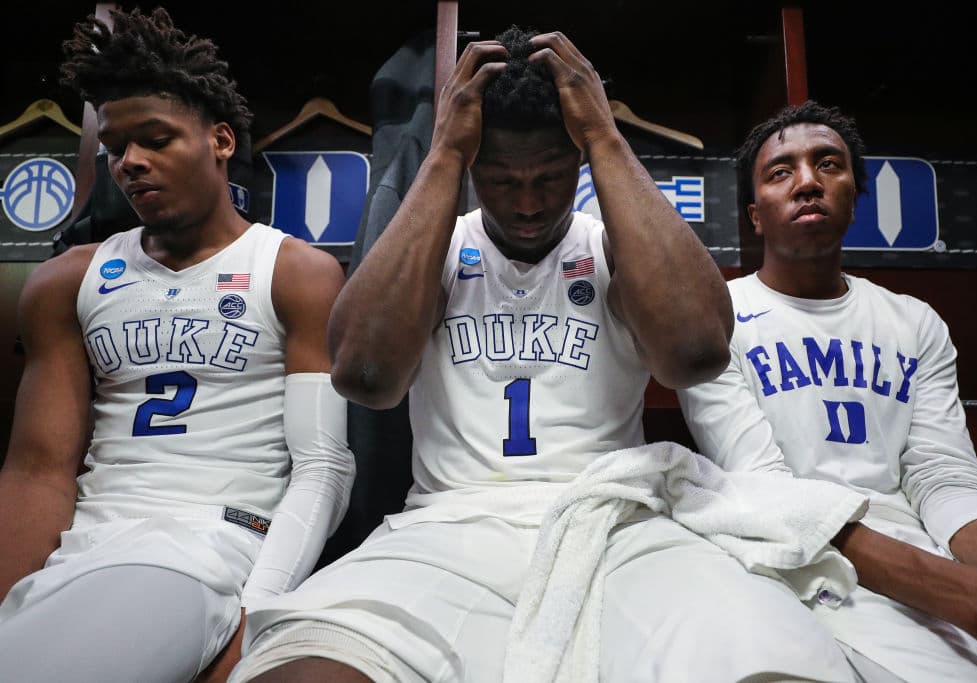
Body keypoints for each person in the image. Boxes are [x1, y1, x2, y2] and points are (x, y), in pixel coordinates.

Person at [229, 29, 868, 683]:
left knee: (771, 660)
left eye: (551, 176)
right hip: (450, 527)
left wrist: (605, 138)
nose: (529, 201)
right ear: (474, 165)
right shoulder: (436, 246)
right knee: (306, 671)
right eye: (503, 179)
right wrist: (447, 149)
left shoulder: (617, 244)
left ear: (580, 163)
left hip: (616, 526)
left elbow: (697, 353)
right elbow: (365, 376)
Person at [0, 8, 354, 682]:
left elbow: (324, 468)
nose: (130, 163)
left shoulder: (295, 271)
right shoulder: (66, 280)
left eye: (156, 139)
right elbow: (37, 469)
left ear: (220, 141)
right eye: (115, 146)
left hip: (211, 547)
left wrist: (259, 611)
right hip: (84, 553)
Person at [678, 100, 977, 682]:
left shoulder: (914, 321)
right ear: (754, 215)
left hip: (919, 553)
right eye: (781, 171)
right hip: (788, 560)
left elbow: (945, 477)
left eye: (828, 164)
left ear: (856, 198)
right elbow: (769, 495)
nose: (808, 182)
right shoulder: (719, 319)